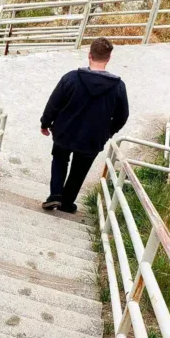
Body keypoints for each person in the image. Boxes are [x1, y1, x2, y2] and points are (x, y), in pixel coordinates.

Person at [40, 37, 129, 213]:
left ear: (89, 55)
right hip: (93, 138)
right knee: (79, 170)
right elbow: (122, 115)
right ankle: (67, 203)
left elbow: (54, 103)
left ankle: (55, 195)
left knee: (59, 160)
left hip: (65, 131)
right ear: (109, 58)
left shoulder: (71, 78)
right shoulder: (118, 87)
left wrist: (46, 122)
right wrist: (108, 132)